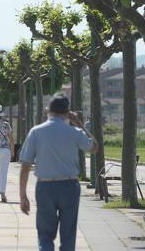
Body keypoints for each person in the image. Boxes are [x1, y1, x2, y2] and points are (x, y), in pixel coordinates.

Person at [19, 93, 98, 251]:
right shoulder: (74, 132)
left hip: (45, 187)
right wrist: (79, 124)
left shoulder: (36, 132)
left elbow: (25, 165)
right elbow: (94, 147)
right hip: (70, 186)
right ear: (67, 113)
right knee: (68, 235)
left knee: (45, 235)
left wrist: (23, 196)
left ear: (48, 110)